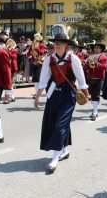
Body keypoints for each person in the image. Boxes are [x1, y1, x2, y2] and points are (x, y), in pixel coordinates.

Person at [34, 33, 89, 174]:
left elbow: (81, 79)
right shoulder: (48, 59)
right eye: (55, 43)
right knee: (56, 123)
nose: (57, 45)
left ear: (66, 45)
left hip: (68, 94)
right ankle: (64, 150)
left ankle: (54, 158)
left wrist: (86, 95)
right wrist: (37, 96)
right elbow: (44, 79)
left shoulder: (73, 59)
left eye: (60, 43)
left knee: (60, 125)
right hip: (53, 93)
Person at [83, 43, 107, 120]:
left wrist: (96, 63)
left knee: (96, 95)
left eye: (98, 48)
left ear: (101, 49)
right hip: (91, 78)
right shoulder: (90, 56)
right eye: (95, 48)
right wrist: (87, 63)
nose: (96, 49)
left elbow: (104, 67)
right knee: (92, 95)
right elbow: (85, 68)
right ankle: (95, 110)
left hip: (99, 78)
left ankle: (95, 112)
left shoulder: (104, 57)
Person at [30, 33, 46, 98]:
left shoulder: (42, 45)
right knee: (34, 78)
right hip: (34, 62)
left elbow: (42, 52)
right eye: (35, 37)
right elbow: (31, 53)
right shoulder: (33, 44)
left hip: (40, 62)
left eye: (37, 38)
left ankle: (38, 93)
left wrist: (36, 48)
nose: (36, 39)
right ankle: (37, 92)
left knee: (38, 78)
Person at [4, 38, 18, 104]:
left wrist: (8, 51)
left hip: (13, 67)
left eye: (10, 43)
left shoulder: (14, 50)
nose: (9, 44)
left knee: (11, 82)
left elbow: (13, 57)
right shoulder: (6, 50)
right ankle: (12, 96)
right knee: (9, 83)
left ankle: (11, 96)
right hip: (7, 67)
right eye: (8, 43)